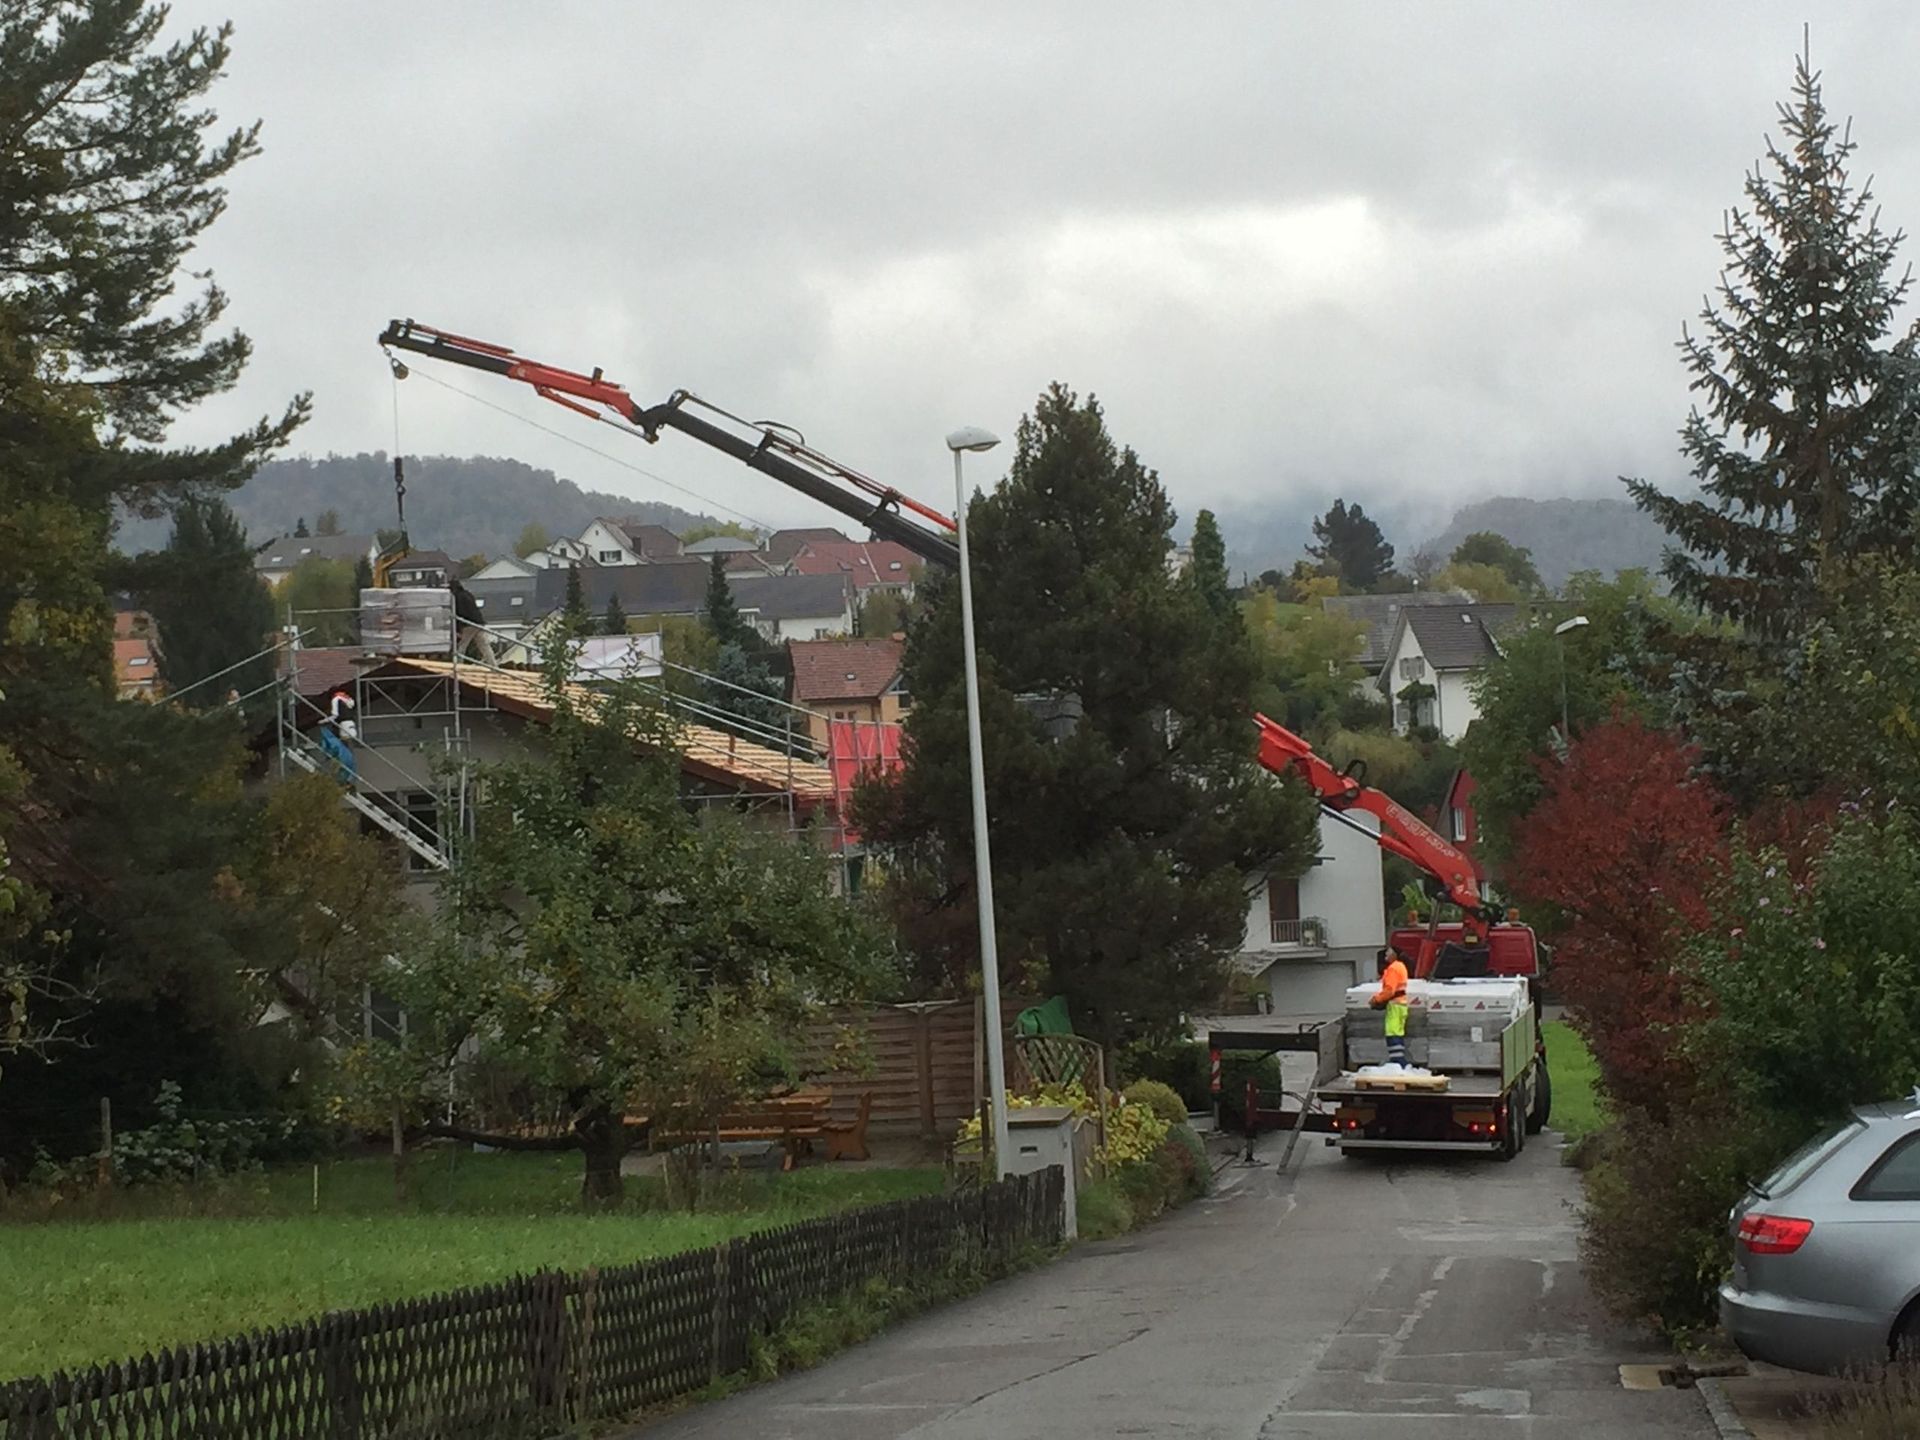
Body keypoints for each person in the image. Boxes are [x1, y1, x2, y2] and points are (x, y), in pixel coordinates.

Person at [1369, 945, 1412, 1068]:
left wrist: (1376, 999)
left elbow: (1389, 990)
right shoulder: (1400, 966)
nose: (1386, 954)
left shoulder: (1393, 969)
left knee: (1392, 1033)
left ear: (1395, 954)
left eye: (1388, 951)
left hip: (1395, 1005)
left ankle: (1398, 1062)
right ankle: (1399, 1061)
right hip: (1401, 1005)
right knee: (1398, 1032)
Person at [449, 578, 496, 665]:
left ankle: (459, 665)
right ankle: (493, 665)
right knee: (484, 645)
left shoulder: (456, 597)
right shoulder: (468, 594)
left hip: (468, 624)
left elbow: (458, 612)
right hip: (479, 622)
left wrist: (457, 629)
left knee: (462, 645)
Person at [318, 687, 357, 783]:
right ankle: (350, 775)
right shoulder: (347, 699)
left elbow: (335, 715)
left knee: (343, 750)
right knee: (349, 749)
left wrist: (324, 720)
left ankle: (346, 775)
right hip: (351, 725)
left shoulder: (336, 699)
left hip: (344, 725)